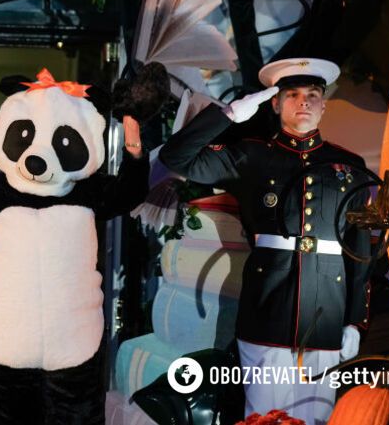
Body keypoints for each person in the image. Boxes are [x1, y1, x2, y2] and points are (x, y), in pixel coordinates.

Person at [159, 58, 371, 424]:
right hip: (267, 311)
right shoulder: (252, 155)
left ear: (324, 104)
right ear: (275, 104)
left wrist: (355, 322)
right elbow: (176, 157)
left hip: (326, 314)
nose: (303, 101)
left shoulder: (350, 167)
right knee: (262, 417)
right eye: (292, 94)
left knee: (317, 419)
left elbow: (360, 252)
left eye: (313, 94)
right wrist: (226, 115)